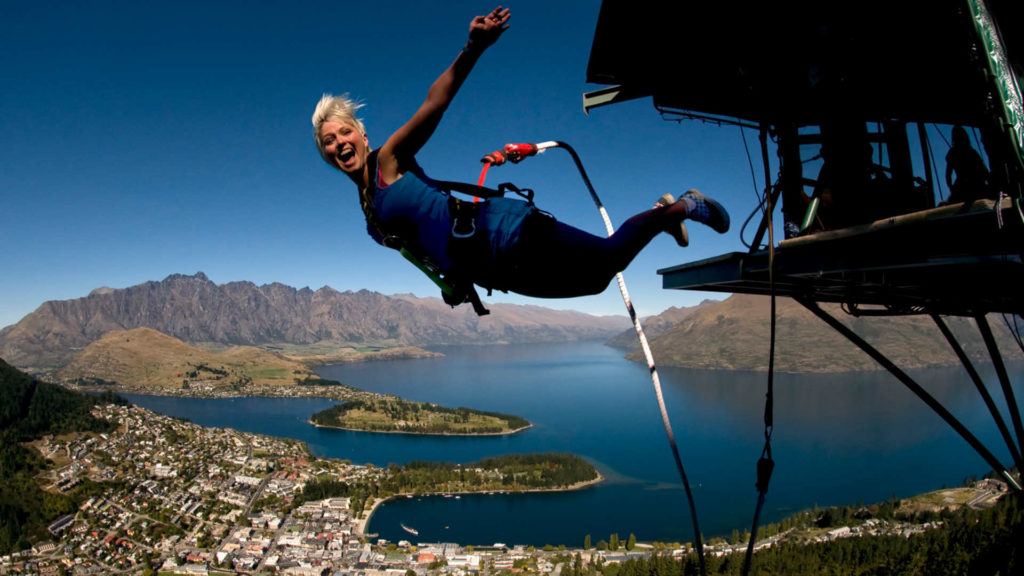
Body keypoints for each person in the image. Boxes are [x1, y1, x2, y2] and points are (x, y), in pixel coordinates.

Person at [311, 6, 728, 311]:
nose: (339, 143)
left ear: (362, 135)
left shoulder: (389, 160)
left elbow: (433, 105)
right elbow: (422, 243)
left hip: (502, 232)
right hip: (489, 267)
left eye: (345, 132)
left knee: (605, 261)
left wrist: (472, 48)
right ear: (324, 154)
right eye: (328, 141)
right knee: (596, 283)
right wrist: (450, 280)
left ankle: (680, 207)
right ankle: (664, 215)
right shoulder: (368, 209)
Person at [944, 125, 990, 204]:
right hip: (972, 186)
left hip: (970, 186)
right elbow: (983, 169)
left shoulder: (957, 152)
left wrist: (952, 188)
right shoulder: (970, 151)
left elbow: (948, 175)